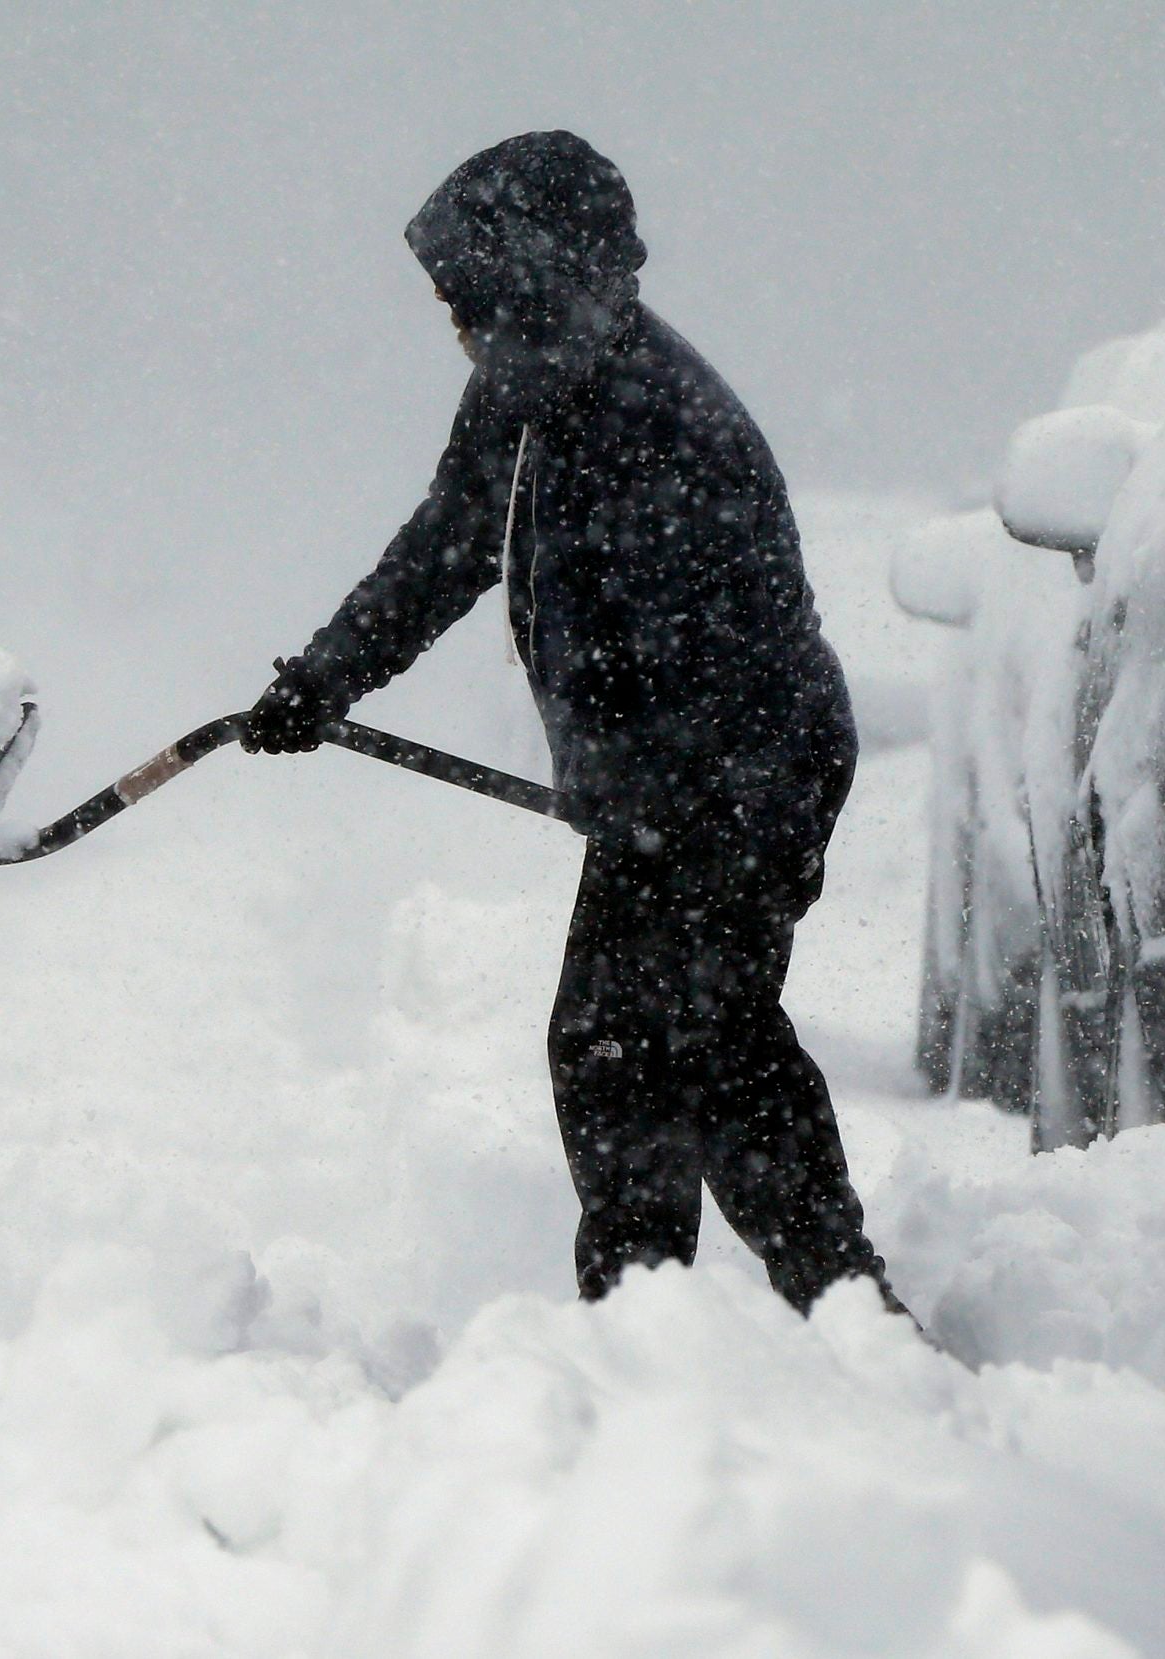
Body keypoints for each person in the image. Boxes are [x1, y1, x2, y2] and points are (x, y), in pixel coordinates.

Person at [242, 130, 901, 1317]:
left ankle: (812, 1304)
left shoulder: (657, 413)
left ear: (537, 274)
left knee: (689, 1045)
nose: (454, 322)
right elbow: (447, 546)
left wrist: (661, 797)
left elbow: (712, 646)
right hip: (683, 788)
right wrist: (323, 679)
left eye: (470, 294)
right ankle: (684, 1306)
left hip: (748, 774)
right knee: (644, 1051)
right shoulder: (533, 386)